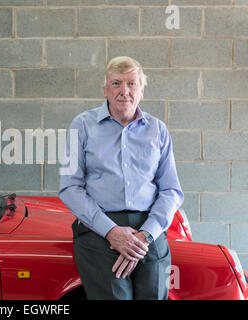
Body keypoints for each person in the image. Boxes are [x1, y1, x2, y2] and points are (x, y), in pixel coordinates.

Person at [58, 56, 183, 300]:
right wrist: (112, 232)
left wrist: (145, 235)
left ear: (142, 90)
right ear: (105, 89)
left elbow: (171, 191)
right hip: (99, 229)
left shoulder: (157, 130)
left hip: (149, 230)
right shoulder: (81, 126)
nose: (124, 91)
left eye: (131, 84)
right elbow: (70, 187)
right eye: (116, 83)